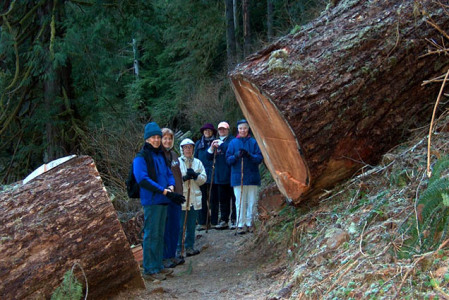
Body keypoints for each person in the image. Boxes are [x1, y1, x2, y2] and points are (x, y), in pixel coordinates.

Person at [133, 122, 185, 281]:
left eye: (158, 137)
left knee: (160, 233)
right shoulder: (141, 157)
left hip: (164, 199)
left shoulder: (160, 155)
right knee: (151, 234)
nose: (156, 140)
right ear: (147, 139)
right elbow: (142, 179)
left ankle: (158, 266)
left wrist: (170, 185)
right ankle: (149, 269)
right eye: (153, 137)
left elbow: (169, 173)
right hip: (152, 200)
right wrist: (163, 190)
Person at [226, 119, 263, 234]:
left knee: (251, 200)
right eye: (241, 128)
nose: (243, 130)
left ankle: (250, 222)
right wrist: (236, 156)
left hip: (252, 176)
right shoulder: (233, 143)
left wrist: (249, 155)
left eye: (245, 128)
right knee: (240, 201)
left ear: (248, 129)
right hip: (238, 177)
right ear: (238, 129)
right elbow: (228, 159)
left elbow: (259, 158)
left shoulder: (253, 142)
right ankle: (240, 223)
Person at [177, 138, 207, 257]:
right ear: (182, 149)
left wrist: (195, 176)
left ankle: (190, 247)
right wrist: (184, 178)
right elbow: (174, 179)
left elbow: (203, 179)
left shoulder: (198, 163)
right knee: (180, 226)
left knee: (191, 225)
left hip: (194, 197)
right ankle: (179, 248)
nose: (188, 149)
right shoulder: (177, 162)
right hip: (183, 197)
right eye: (186, 147)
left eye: (190, 147)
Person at [161, 128, 185, 268]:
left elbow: (178, 175)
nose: (168, 141)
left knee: (176, 226)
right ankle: (165, 256)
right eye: (165, 138)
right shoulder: (159, 156)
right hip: (166, 196)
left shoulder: (174, 155)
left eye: (170, 139)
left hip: (178, 195)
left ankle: (172, 254)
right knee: (166, 228)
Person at [207, 121, 236, 229]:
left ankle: (234, 219)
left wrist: (221, 145)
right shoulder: (215, 141)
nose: (222, 131)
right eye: (220, 129)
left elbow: (230, 150)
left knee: (234, 199)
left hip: (231, 174)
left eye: (224, 129)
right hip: (219, 175)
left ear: (228, 130)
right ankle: (224, 220)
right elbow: (208, 157)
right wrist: (211, 148)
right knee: (223, 200)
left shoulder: (232, 141)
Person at [194, 123, 217, 230]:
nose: (207, 132)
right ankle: (203, 222)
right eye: (205, 131)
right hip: (201, 175)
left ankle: (214, 221)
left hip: (213, 174)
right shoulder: (198, 144)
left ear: (212, 132)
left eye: (209, 130)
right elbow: (195, 158)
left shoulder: (216, 143)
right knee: (201, 198)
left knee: (213, 199)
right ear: (203, 132)